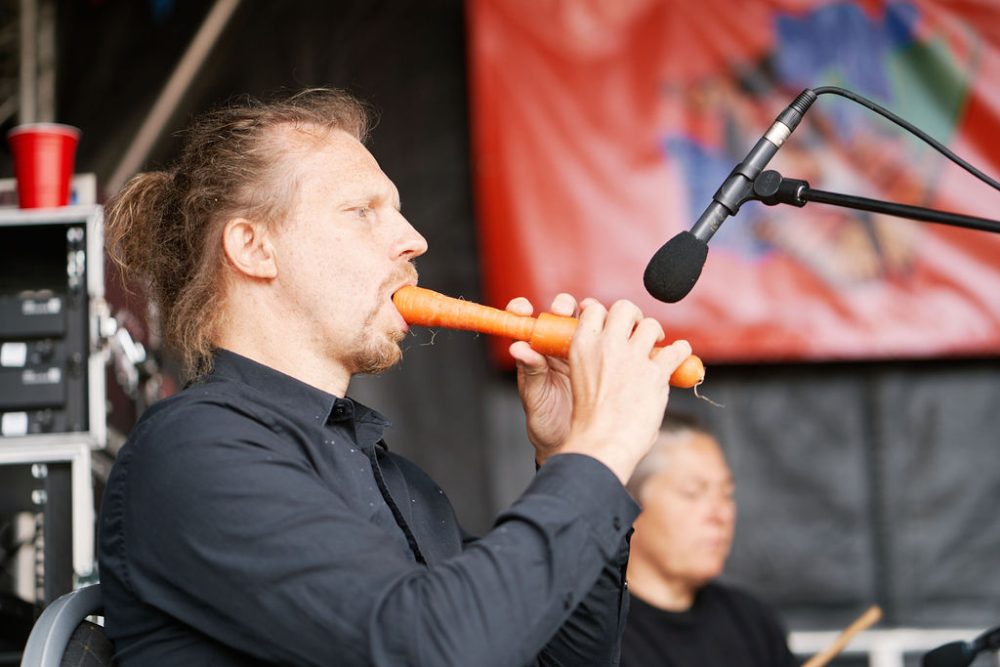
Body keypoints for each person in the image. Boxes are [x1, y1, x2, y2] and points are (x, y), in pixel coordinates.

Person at [97, 88, 693, 666]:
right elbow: (431, 648)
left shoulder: (387, 472)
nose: (414, 240)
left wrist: (565, 452)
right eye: (362, 212)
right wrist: (604, 447)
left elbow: (562, 662)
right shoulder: (195, 451)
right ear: (254, 248)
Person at [621, 413, 798, 667]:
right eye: (693, 493)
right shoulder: (592, 632)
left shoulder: (750, 621)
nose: (721, 514)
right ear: (629, 502)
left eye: (726, 494)